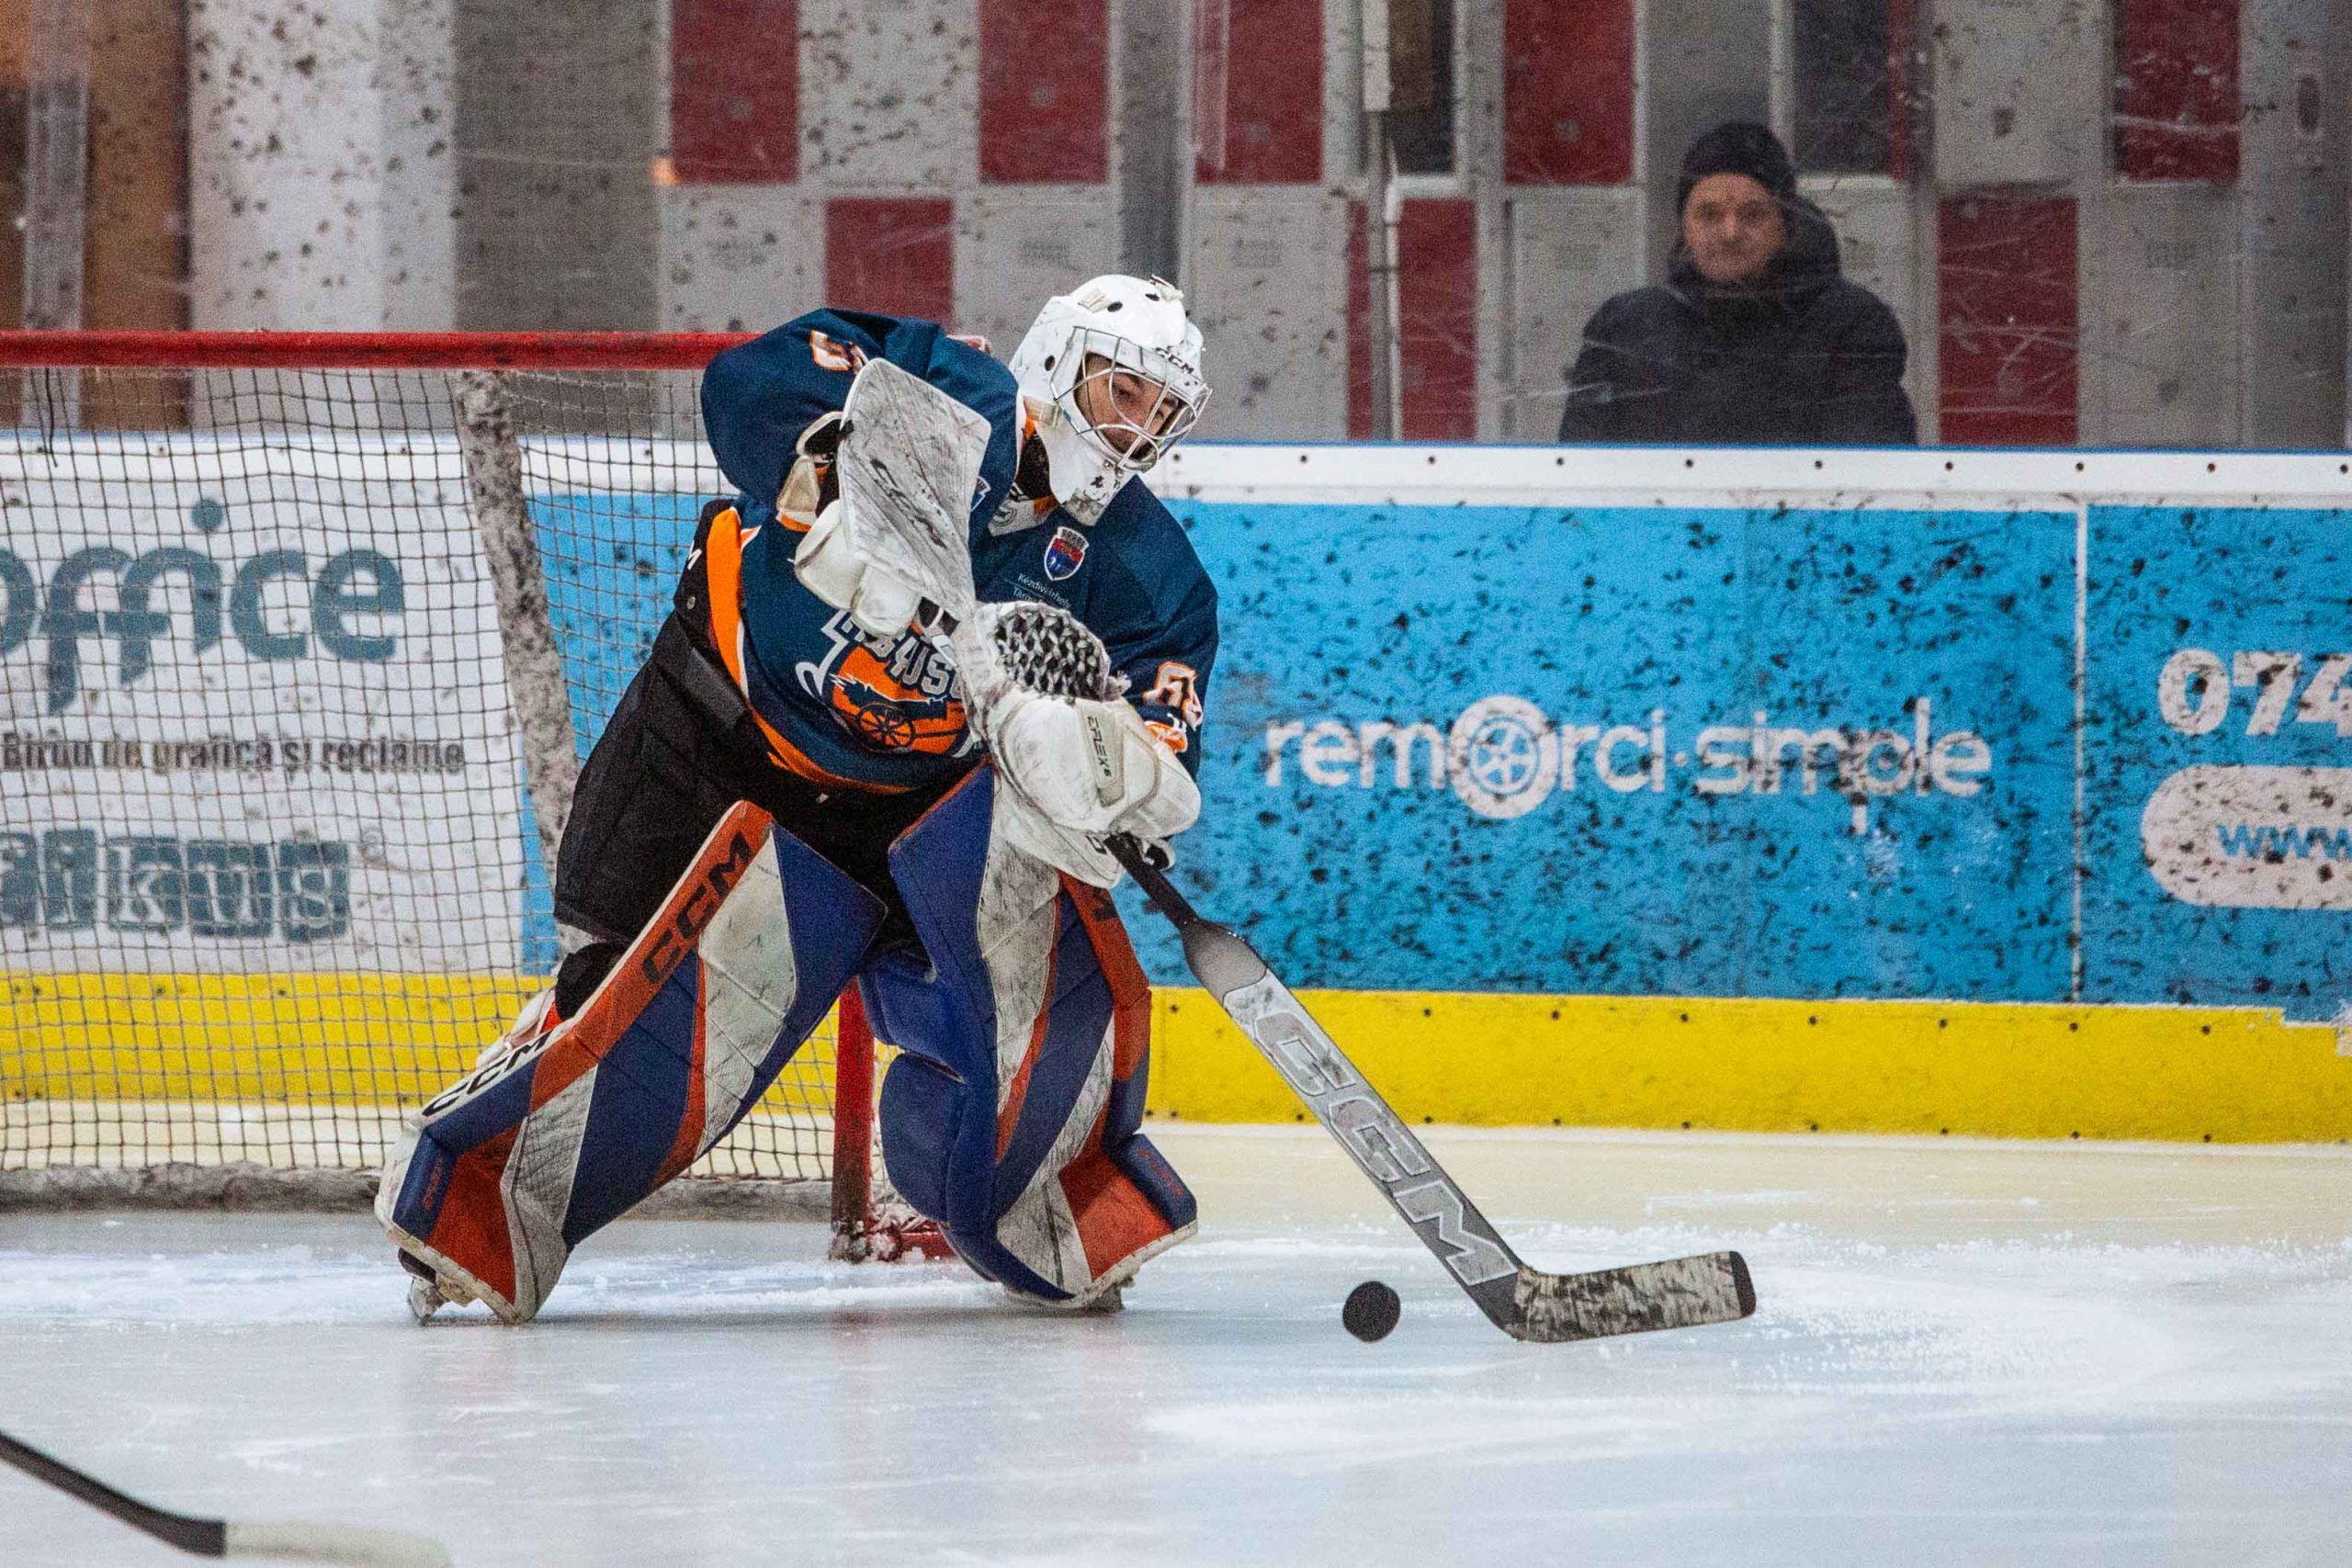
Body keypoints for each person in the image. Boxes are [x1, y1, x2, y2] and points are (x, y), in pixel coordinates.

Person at [377, 276, 1218, 1324]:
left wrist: (1096, 769)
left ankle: (1047, 1199)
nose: (1136, 432)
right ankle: (487, 1189)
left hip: (914, 811)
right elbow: (749, 381)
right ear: (1057, 357)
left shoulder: (1149, 575)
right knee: (644, 1028)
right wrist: (826, 469)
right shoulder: (937, 386)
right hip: (720, 738)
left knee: (1044, 989)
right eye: (1123, 393)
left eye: (1161, 414)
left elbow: (1153, 762)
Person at [1557, 121, 1917, 446]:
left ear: (1785, 226)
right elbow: (1582, 473)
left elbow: (1870, 474)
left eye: (1753, 214)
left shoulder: (1851, 326)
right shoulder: (1624, 329)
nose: (1730, 232)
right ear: (1684, 228)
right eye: (1709, 214)